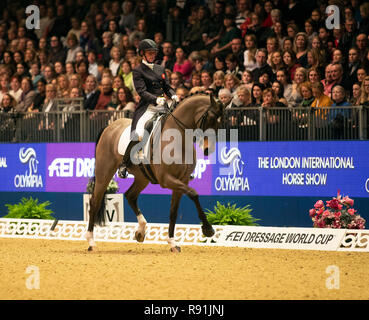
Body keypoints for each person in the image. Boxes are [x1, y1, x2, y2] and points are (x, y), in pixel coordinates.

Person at [120, 39, 178, 177]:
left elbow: (167, 87)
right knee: (140, 131)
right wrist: (155, 99)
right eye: (149, 53)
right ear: (142, 54)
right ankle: (125, 163)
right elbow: (142, 91)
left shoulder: (160, 68)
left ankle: (182, 164)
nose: (152, 55)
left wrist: (174, 95)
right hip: (148, 106)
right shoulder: (137, 71)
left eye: (154, 53)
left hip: (164, 104)